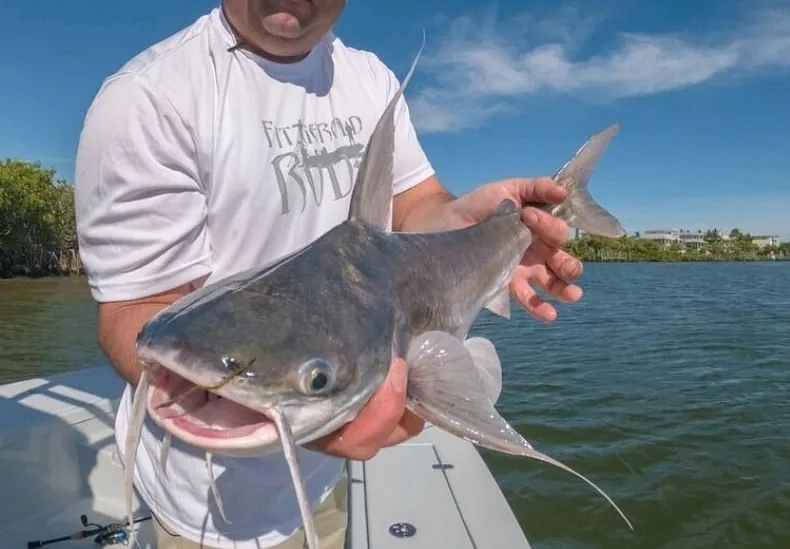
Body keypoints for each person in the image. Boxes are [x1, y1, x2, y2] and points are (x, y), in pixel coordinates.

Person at [74, 1, 585, 548]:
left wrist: (476, 226)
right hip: (210, 506)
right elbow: (132, 311)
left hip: (320, 479)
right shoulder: (148, 98)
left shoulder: (368, 76)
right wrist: (320, 417)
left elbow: (416, 206)